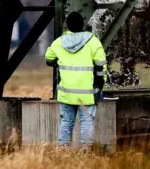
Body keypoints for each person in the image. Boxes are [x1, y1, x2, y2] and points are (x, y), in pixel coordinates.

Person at [45, 11, 107, 151]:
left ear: (67, 25)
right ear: (83, 25)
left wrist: (59, 62)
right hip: (87, 93)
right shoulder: (93, 42)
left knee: (66, 122)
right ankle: (86, 151)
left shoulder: (59, 42)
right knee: (86, 121)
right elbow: (101, 66)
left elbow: (48, 59)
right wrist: (100, 85)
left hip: (66, 92)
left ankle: (63, 151)